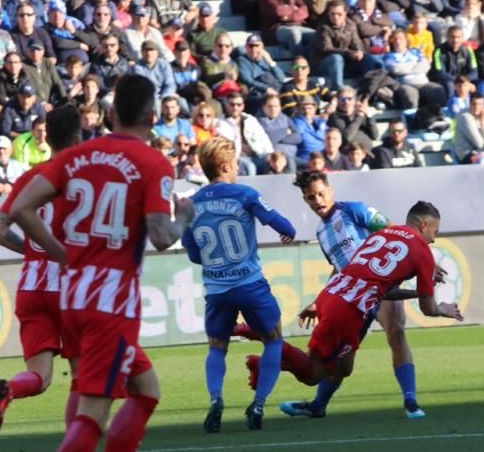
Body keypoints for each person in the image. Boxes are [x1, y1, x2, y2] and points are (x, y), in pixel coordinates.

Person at [10, 74, 194, 452]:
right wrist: (185, 217)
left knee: (147, 389)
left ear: (110, 115)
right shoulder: (155, 162)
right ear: (153, 118)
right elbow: (161, 236)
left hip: (71, 297)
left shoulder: (74, 157)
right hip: (112, 305)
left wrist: (61, 253)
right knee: (93, 414)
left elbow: (25, 209)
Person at [256, 198, 463, 417]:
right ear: (423, 225)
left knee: (343, 365)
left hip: (333, 295)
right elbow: (428, 309)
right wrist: (443, 308)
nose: (433, 239)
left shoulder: (379, 235)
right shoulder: (421, 250)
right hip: (349, 309)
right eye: (435, 232)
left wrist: (415, 293)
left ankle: (316, 404)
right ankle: (272, 353)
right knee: (317, 371)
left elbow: (378, 287)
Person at [181, 136, 296, 433]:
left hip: (217, 291)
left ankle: (216, 399)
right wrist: (288, 231)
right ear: (226, 165)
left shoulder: (190, 205)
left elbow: (194, 253)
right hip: (250, 285)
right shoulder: (244, 194)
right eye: (235, 165)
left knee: (217, 348)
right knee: (273, 340)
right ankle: (258, 405)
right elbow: (282, 224)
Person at [0, 106, 83, 438]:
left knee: (39, 377)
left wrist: (31, 251)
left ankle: (10, 390)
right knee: (81, 377)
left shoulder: (29, 178)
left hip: (31, 286)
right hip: (70, 287)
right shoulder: (83, 178)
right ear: (79, 137)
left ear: (47, 139)